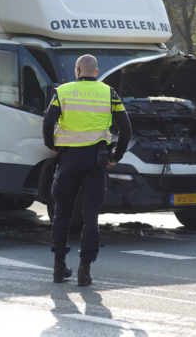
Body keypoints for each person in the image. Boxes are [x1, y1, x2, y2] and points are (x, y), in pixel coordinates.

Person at [42, 55, 131, 285]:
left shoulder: (63, 91)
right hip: (96, 161)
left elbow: (48, 122)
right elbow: (126, 128)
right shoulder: (109, 93)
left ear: (77, 71)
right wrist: (116, 157)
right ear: (97, 72)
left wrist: (53, 146)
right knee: (90, 216)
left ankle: (59, 268)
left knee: (62, 214)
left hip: (68, 160)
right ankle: (85, 271)